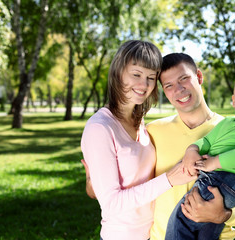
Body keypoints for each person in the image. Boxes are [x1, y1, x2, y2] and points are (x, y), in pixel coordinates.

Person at [83, 53, 235, 240]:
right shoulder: (152, 132)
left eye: (184, 79)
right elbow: (127, 183)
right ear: (164, 91)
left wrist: (225, 215)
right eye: (169, 85)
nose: (179, 90)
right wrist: (93, 180)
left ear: (199, 77)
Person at [80, 41, 194, 240]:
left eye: (151, 77)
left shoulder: (138, 120)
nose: (144, 85)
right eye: (136, 74)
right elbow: (112, 203)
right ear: (118, 72)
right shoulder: (100, 128)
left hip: (152, 233)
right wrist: (169, 179)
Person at [164, 69, 235, 239]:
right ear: (234, 100)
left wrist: (213, 163)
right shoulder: (227, 123)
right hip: (223, 186)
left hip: (222, 180)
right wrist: (192, 150)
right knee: (207, 233)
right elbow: (206, 142)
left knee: (181, 220)